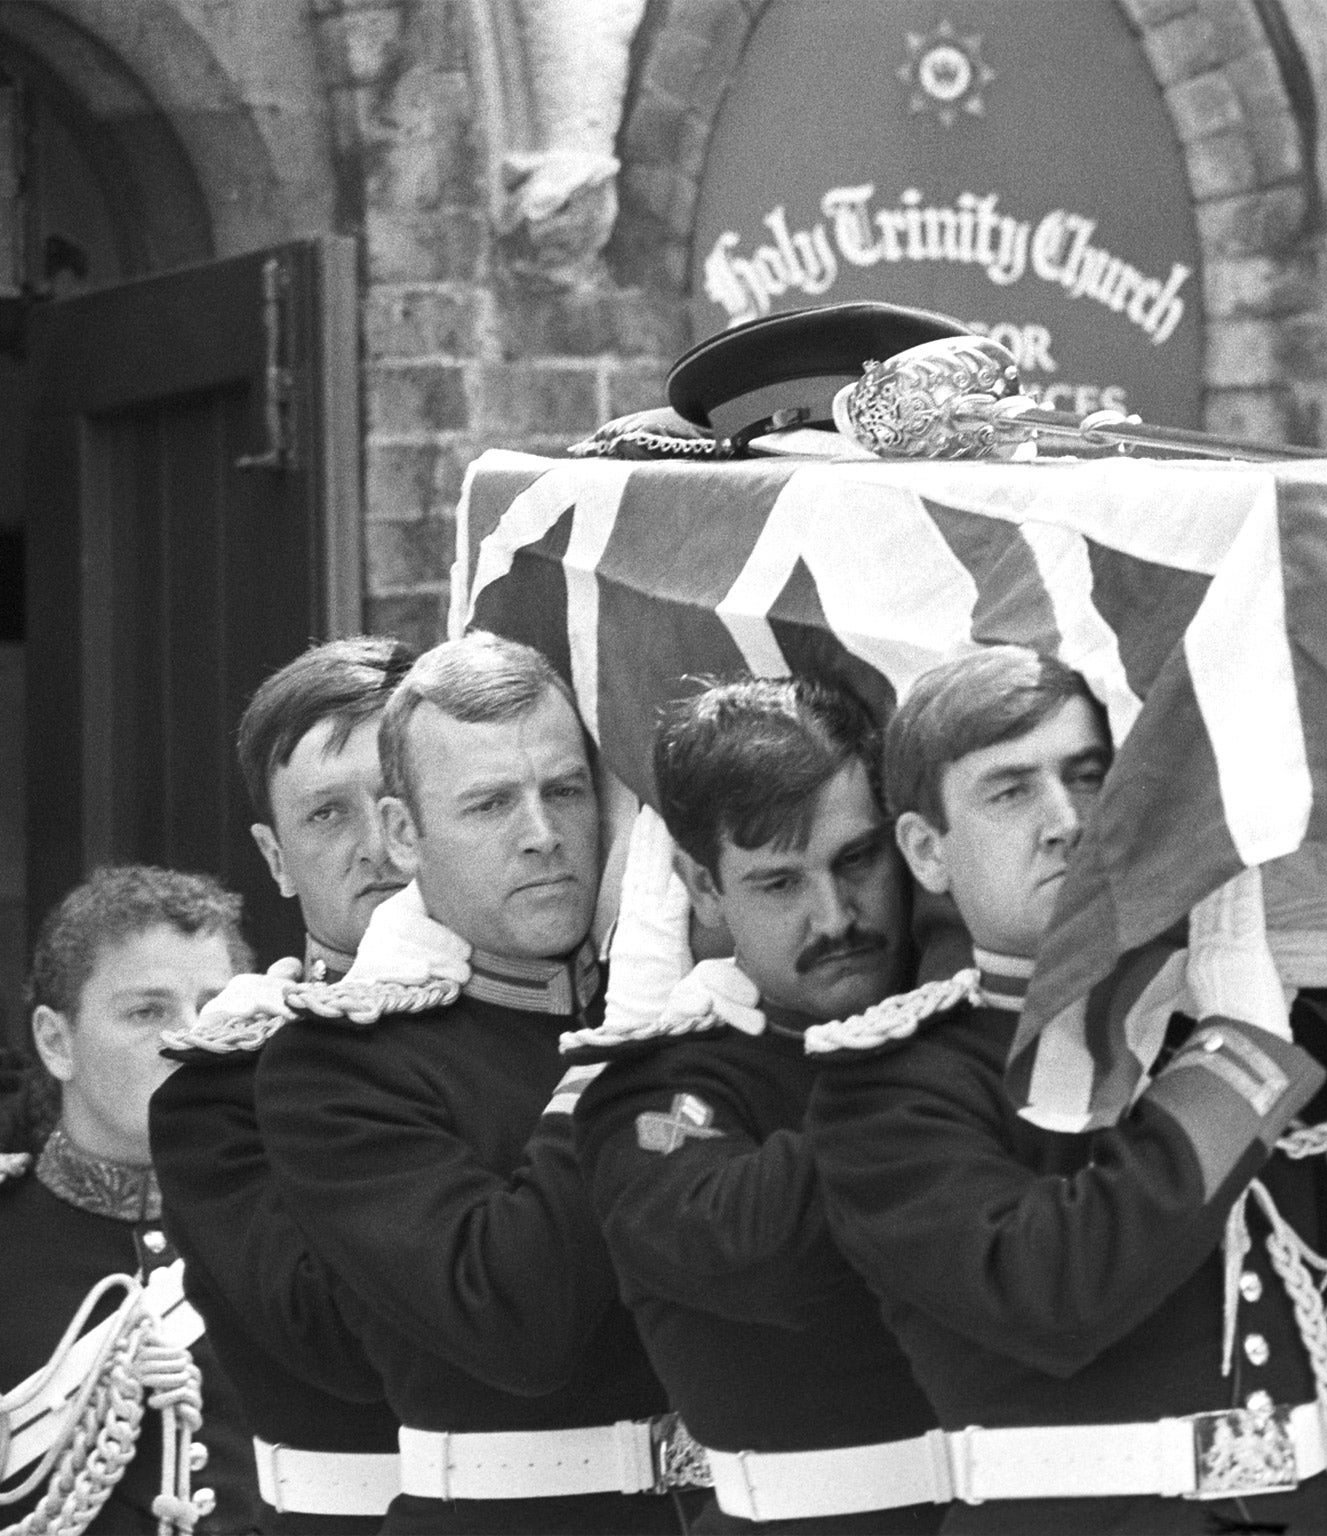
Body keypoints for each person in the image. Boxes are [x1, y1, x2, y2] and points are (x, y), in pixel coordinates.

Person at [805, 645, 1327, 1534]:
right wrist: (1240, 1055)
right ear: (926, 851)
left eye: (1089, 776)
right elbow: (1055, 1292)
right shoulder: (888, 1094)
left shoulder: (1233, 1026)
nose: (1066, 820)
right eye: (1011, 790)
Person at [253, 632, 680, 1535]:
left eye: (565, 791)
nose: (542, 836)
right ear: (406, 835)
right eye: (490, 804)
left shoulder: (663, 1009)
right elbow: (520, 1321)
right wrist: (617, 1054)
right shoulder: (340, 1070)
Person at [567, 677, 945, 1532]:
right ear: (703, 889)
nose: (836, 915)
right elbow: (755, 1246)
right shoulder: (654, 1096)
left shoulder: (977, 1035)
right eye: (779, 883)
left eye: (858, 860)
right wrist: (941, 1044)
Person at [150, 637, 414, 1532]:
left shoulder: (565, 1024)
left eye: (399, 800)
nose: (378, 845)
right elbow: (338, 1346)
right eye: (326, 817)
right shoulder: (226, 1085)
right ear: (274, 857)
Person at [0, 865, 262, 1534]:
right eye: (148, 1011)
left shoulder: (286, 1233)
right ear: (56, 1041)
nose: (190, 1038)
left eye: (213, 1006)